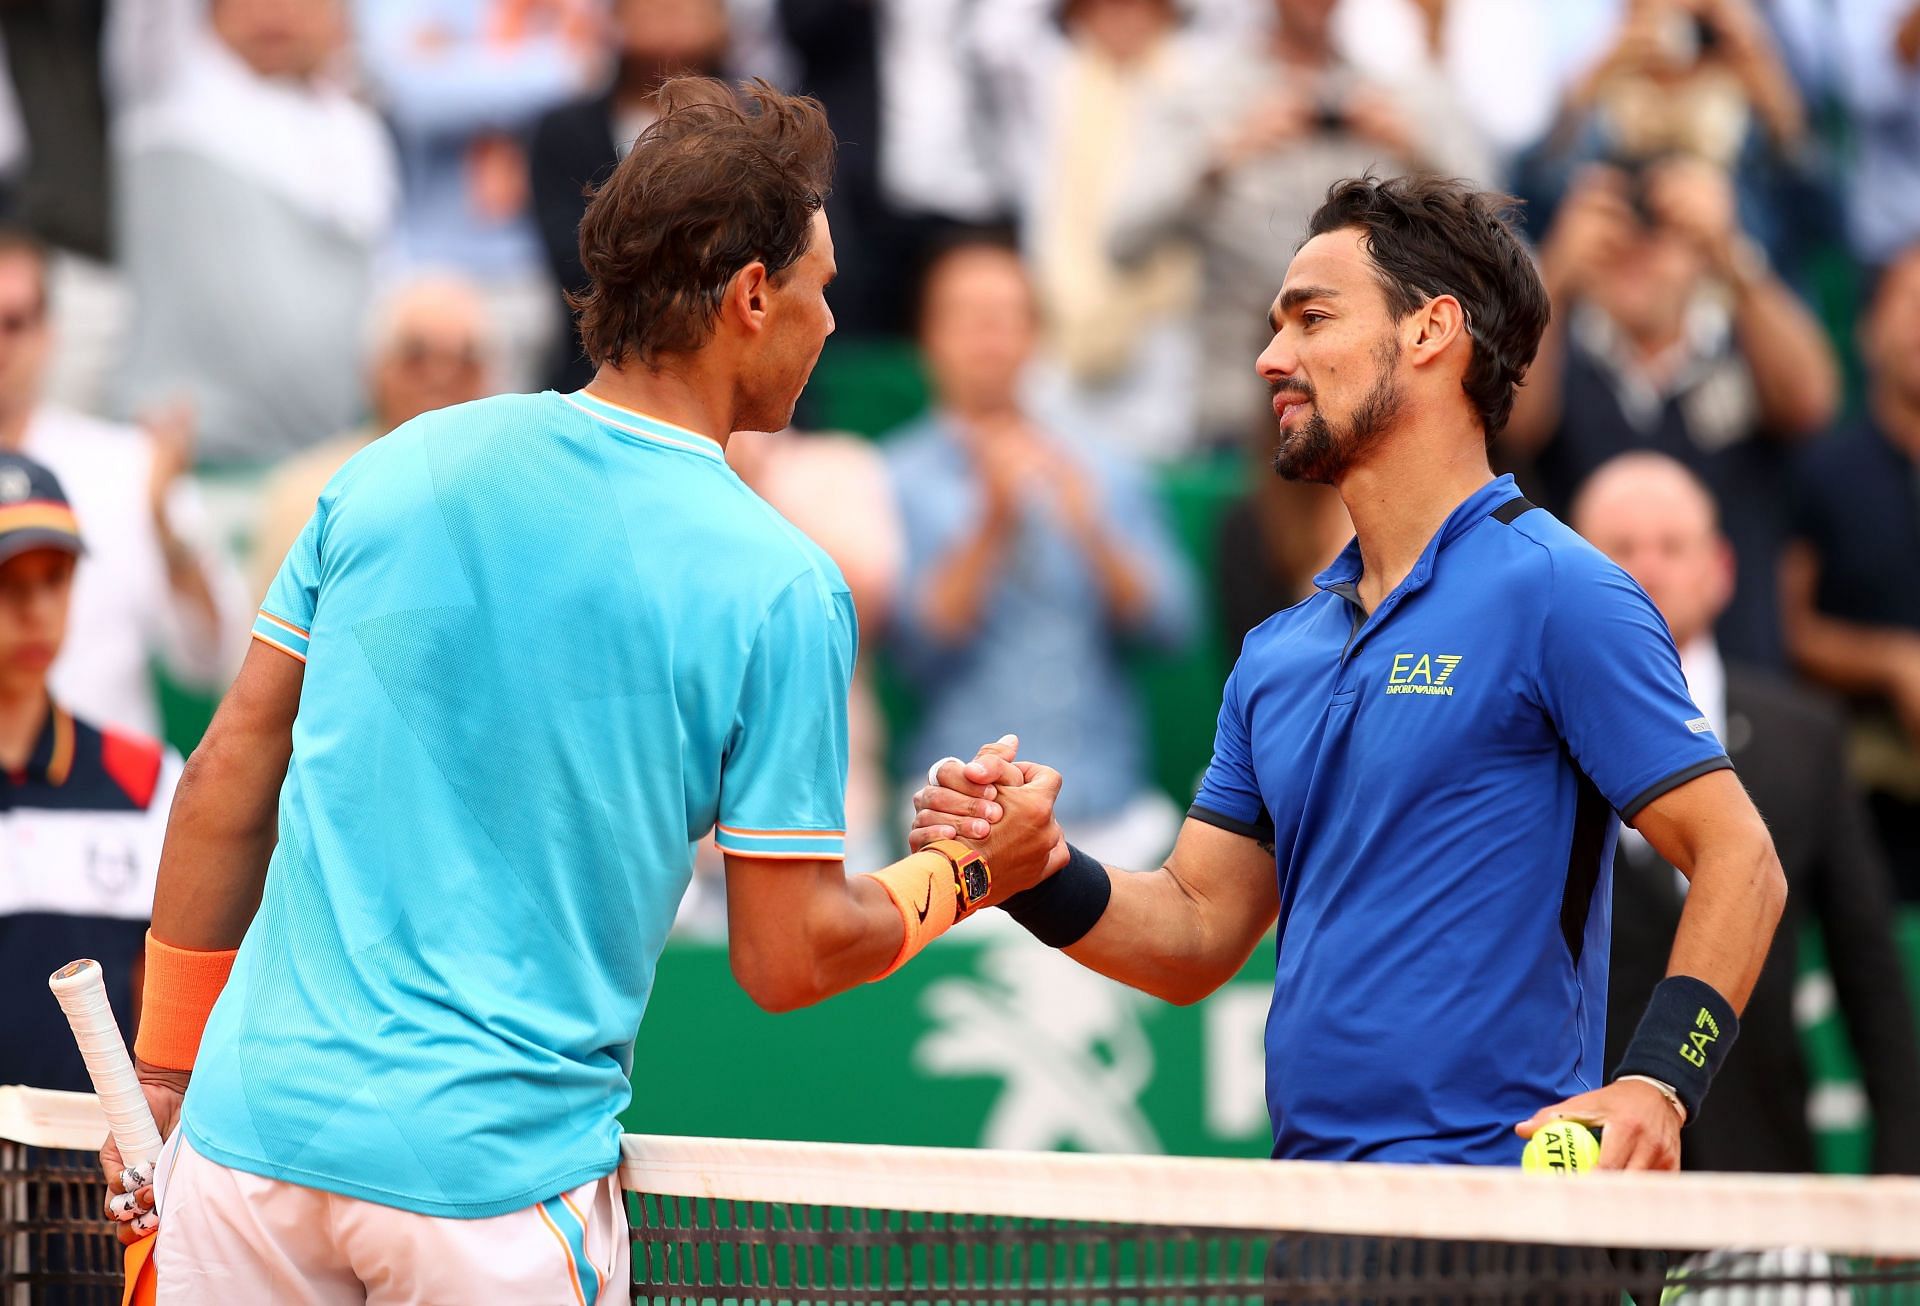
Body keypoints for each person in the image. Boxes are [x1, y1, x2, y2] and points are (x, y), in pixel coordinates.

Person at [102, 79, 1059, 1303]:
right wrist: (977, 869)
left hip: (245, 1161)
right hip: (483, 1200)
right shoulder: (777, 583)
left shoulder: (397, 465)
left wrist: (172, 1072)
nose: (831, 321)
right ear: (750, 298)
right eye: (819, 287)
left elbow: (229, 772)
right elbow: (788, 953)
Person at [915, 174, 1786, 1171]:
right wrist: (1037, 873)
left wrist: (1660, 1080)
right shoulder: (1277, 655)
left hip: (1502, 1217)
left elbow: (1741, 860)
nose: (1270, 356)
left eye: (1311, 318)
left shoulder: (1560, 591)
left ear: (1430, 332)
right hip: (1317, 1214)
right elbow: (1198, 931)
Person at [1573, 451, 1920, 1175]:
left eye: (1671, 547)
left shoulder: (1805, 738)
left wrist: (1901, 1170)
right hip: (1576, 1176)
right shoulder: (1527, 740)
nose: (1648, 570)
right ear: (1573, 572)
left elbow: (1869, 971)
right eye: (1620, 549)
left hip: (1762, 1176)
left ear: (1722, 569)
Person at [886, 235, 1196, 868]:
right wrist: (991, 524)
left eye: (1007, 319)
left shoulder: (1107, 469)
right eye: (968, 319)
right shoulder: (894, 477)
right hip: (959, 818)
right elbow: (912, 652)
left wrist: (1095, 531)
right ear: (929, 338)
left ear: (1036, 336)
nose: (989, 339)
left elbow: (1172, 629)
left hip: (1111, 813)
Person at [1501, 155, 1838, 665]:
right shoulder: (1556, 348)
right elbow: (1513, 428)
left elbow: (1811, 403)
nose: (1637, 251)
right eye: (1618, 235)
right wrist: (1555, 276)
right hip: (1580, 664)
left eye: (1659, 234)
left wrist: (1731, 252)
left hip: (1740, 668)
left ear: (1698, 253)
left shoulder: (1746, 343)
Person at [1108, 0, 1492, 447]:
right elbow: (1121, 242)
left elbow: (1493, 231)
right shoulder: (1203, 95)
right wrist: (1222, 157)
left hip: (1370, 402)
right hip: (1241, 401)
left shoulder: (1389, 94)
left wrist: (1414, 152)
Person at [116, 0, 398, 465]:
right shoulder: (171, 86)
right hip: (186, 456)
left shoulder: (361, 133)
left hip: (323, 460)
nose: (275, 14)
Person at [0, 231, 249, 739]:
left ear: (49, 332)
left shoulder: (128, 466)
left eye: (14, 322)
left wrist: (163, 525)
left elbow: (216, 652)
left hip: (104, 801)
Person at [0, 451, 182, 1093]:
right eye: (7, 581)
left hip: (95, 1180)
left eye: (55, 578)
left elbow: (171, 1008)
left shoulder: (146, 781)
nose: (35, 608)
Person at [355, 0, 602, 394]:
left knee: (517, 442)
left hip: (541, 270)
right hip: (427, 267)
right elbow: (417, 96)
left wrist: (457, 62)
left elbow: (615, 72)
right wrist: (570, 64)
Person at [1782, 242, 1920, 900]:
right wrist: (1892, 663)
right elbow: (1790, 627)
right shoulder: (1824, 471)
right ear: (1867, 333)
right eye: (1912, 305)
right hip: (1870, 791)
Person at [249, 274, 497, 598]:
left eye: (466, 360)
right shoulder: (312, 496)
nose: (441, 375)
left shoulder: (512, 495)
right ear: (376, 371)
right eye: (416, 356)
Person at [530, 0, 732, 392]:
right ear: (615, 19)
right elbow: (573, 263)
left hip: (726, 364)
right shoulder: (564, 131)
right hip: (593, 365)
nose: (670, 20)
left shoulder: (753, 126)